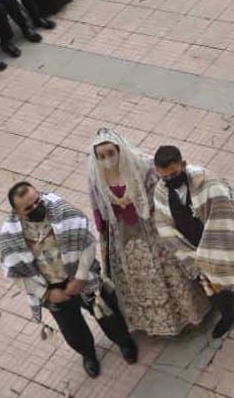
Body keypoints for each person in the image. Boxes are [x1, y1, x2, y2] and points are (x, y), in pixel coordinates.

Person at [0, 181, 137, 376]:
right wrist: (46, 293)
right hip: (52, 291)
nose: (36, 208)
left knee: (108, 314)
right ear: (17, 211)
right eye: (28, 208)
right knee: (72, 329)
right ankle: (88, 354)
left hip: (83, 277)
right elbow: (14, 272)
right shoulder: (10, 235)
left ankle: (124, 342)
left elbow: (87, 242)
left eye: (37, 201)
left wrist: (80, 278)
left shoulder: (62, 211)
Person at [151, 146, 234, 343]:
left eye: (173, 174)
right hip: (195, 249)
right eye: (164, 177)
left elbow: (225, 212)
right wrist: (191, 253)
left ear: (183, 165)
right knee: (213, 285)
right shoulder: (161, 190)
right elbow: (163, 223)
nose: (169, 180)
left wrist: (214, 247)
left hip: (223, 239)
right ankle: (230, 314)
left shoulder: (207, 181)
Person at [87, 130, 210, 336]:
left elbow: (161, 190)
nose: (107, 159)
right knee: (134, 276)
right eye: (102, 156)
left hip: (152, 224)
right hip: (123, 233)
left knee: (170, 269)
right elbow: (98, 206)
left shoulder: (142, 166)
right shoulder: (96, 176)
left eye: (110, 153)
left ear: (119, 149)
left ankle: (189, 314)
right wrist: (103, 230)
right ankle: (153, 322)